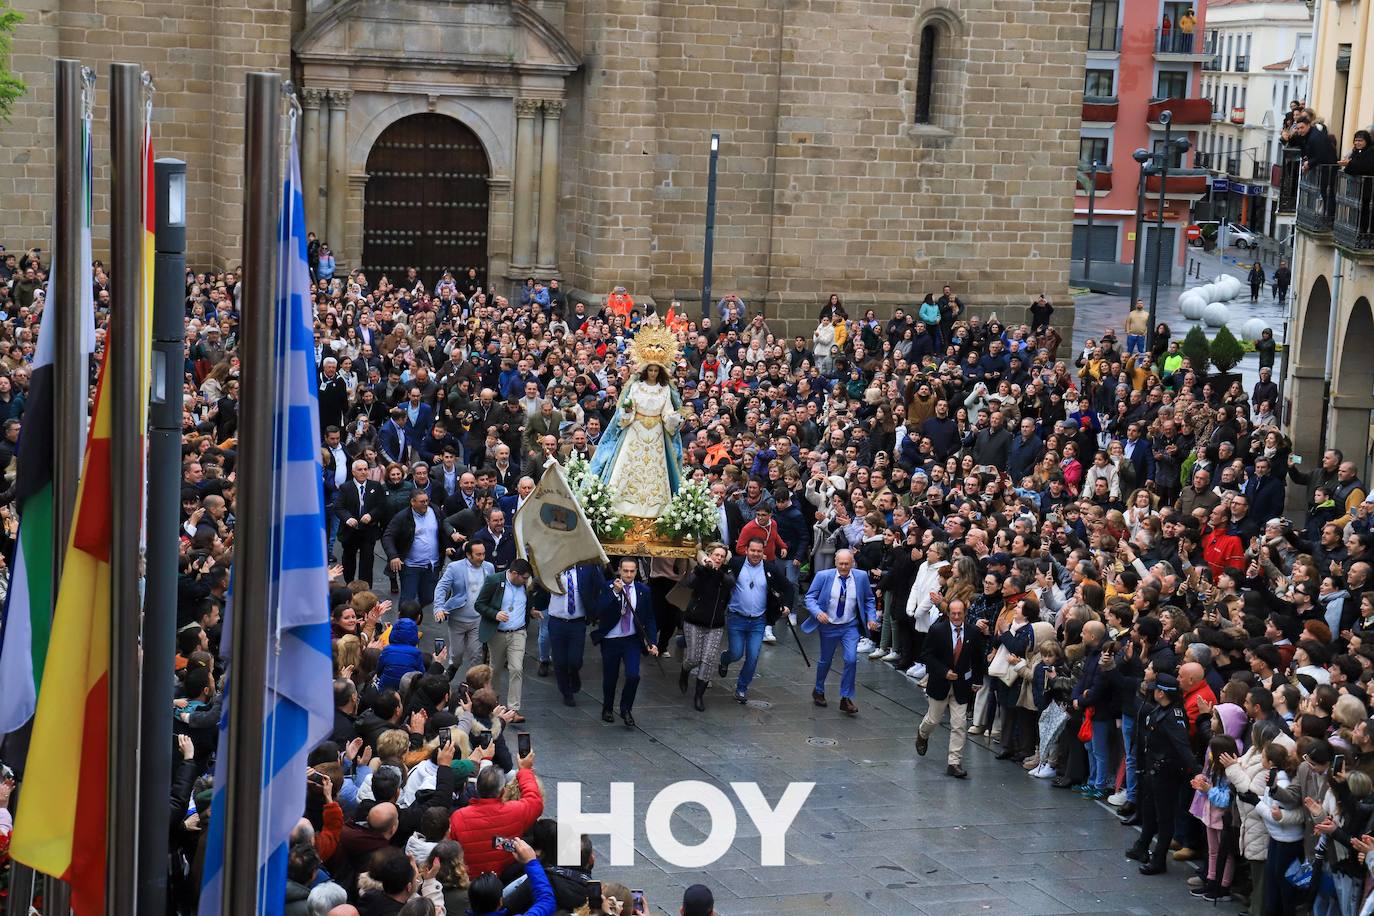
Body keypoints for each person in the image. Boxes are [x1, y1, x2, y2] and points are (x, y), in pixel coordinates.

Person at [588, 323, 685, 518]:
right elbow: (625, 414)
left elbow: (667, 414)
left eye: (656, 371)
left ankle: (655, 511)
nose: (653, 374)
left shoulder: (665, 389)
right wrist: (627, 411)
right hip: (635, 432)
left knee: (655, 473)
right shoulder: (636, 387)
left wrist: (673, 418)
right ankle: (621, 508)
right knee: (627, 470)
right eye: (650, 370)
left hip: (656, 434)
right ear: (645, 370)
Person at [1126, 673, 1201, 875]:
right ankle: (1142, 845)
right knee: (1149, 811)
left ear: (1161, 692)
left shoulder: (1173, 717)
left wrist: (1197, 772)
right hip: (1153, 769)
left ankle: (1159, 859)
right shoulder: (1161, 710)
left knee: (1164, 817)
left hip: (1166, 773)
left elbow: (1182, 746)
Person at [914, 597, 986, 778]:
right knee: (933, 719)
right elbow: (926, 655)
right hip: (940, 684)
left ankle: (954, 763)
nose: (956, 616)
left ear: (965, 614)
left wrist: (977, 680)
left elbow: (978, 658)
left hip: (962, 686)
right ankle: (922, 734)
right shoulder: (937, 630)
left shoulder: (972, 632)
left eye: (959, 613)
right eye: (953, 613)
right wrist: (944, 672)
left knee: (959, 724)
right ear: (948, 614)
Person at [801, 548, 879, 715]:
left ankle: (846, 698)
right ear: (835, 563)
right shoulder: (824, 576)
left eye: (847, 564)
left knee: (851, 660)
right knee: (825, 660)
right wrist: (817, 612)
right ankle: (819, 689)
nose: (844, 567)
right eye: (841, 563)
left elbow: (869, 599)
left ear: (852, 563)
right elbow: (809, 597)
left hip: (849, 626)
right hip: (828, 625)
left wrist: (871, 618)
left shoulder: (861, 577)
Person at [718, 537, 789, 704]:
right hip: (736, 617)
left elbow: (787, 587)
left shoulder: (770, 568)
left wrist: (786, 605)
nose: (756, 554)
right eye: (753, 550)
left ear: (763, 552)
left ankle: (742, 688)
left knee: (753, 655)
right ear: (746, 550)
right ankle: (725, 659)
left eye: (759, 551)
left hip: (758, 620)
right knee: (736, 653)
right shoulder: (735, 564)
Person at [591, 557, 659, 727]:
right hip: (611, 639)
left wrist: (652, 641)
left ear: (636, 571)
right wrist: (614, 592)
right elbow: (598, 610)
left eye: (632, 571)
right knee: (610, 677)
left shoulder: (643, 590)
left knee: (633, 675)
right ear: (619, 570)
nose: (629, 574)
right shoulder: (608, 587)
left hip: (632, 640)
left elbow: (649, 617)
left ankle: (626, 708)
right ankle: (607, 708)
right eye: (625, 571)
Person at [474, 558, 540, 722]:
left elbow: (526, 602)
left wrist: (531, 611)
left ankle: (513, 709)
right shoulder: (494, 581)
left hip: (518, 632)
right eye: (524, 577)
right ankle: (493, 705)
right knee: (495, 669)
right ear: (514, 574)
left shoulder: (525, 585)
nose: (526, 581)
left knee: (517, 668)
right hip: (498, 633)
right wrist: (494, 614)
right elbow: (479, 604)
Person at [679, 543, 734, 712]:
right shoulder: (700, 569)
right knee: (693, 658)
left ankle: (698, 696)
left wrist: (716, 571)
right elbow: (688, 583)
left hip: (715, 624)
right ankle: (684, 670)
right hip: (694, 621)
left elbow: (729, 583)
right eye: (716, 555)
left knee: (708, 659)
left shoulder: (726, 573)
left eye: (722, 556)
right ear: (710, 555)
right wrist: (701, 569)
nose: (719, 558)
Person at [543, 561, 606, 707]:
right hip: (557, 621)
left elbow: (599, 585)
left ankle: (574, 672)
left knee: (575, 660)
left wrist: (594, 608)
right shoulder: (552, 567)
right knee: (559, 661)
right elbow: (542, 587)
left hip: (577, 622)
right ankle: (566, 692)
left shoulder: (587, 568)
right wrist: (535, 606)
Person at [432, 539, 494, 678]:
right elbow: (442, 587)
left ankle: (473, 683)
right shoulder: (455, 568)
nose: (482, 558)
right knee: (457, 654)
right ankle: (454, 666)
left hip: (478, 619)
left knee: (476, 655)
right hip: (458, 619)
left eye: (483, 554)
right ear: (468, 555)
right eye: (478, 555)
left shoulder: (489, 567)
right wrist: (439, 608)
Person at [382, 490, 453, 607]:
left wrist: (448, 544)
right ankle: (405, 622)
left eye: (427, 501)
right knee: (407, 599)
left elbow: (443, 529)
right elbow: (388, 536)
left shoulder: (435, 512)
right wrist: (393, 556)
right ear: (412, 502)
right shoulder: (402, 517)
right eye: (422, 502)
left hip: (432, 565)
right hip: (411, 566)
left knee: (428, 597)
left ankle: (415, 617)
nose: (425, 504)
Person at [337, 458, 386, 586]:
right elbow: (338, 507)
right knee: (348, 561)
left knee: (367, 562)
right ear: (353, 472)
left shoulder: (375, 486)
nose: (363, 472)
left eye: (365, 469)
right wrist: (348, 518)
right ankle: (349, 586)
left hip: (368, 531)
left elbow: (381, 506)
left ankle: (365, 591)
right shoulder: (345, 488)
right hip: (350, 531)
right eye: (360, 469)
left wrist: (371, 515)